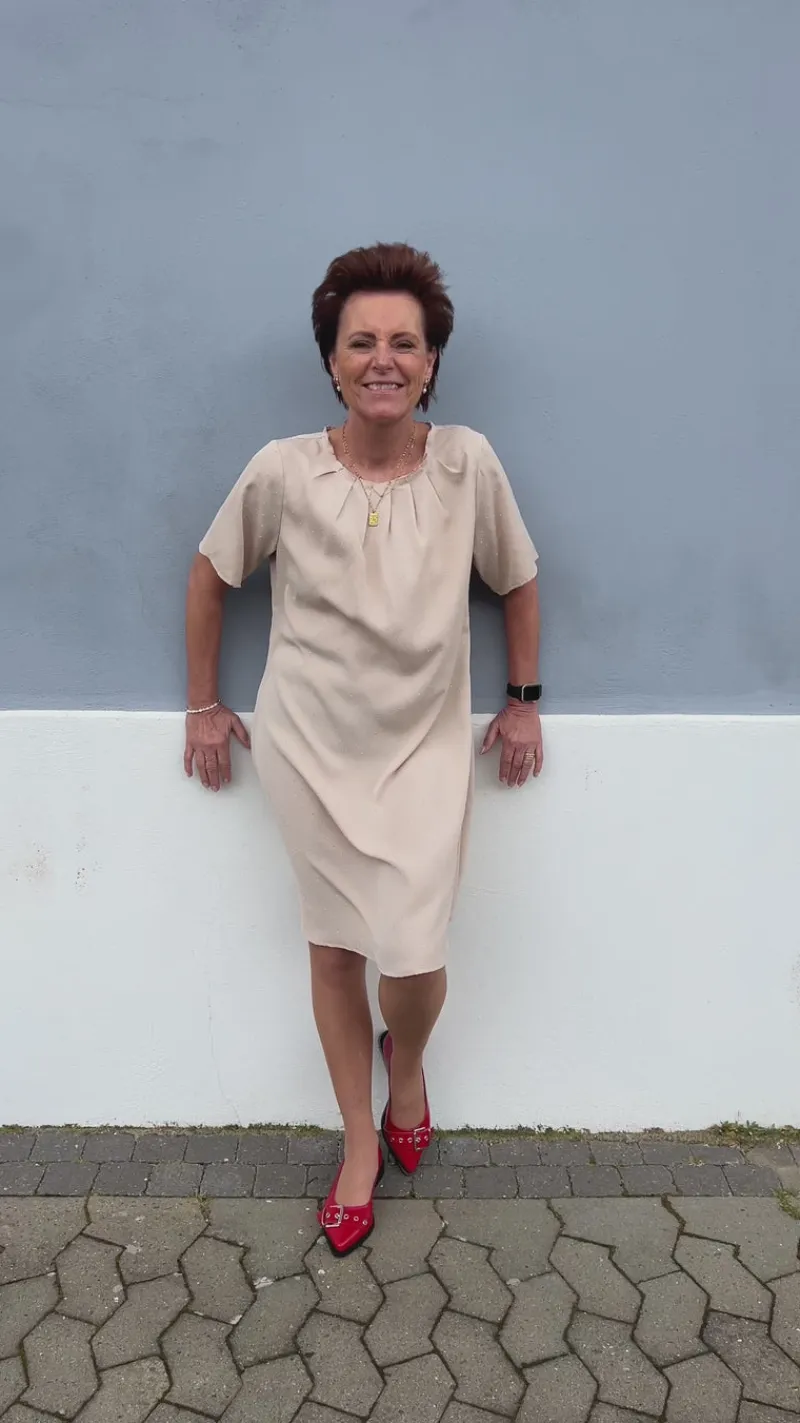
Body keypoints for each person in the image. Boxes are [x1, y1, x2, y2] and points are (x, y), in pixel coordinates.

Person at [184, 242, 543, 1255]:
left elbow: (517, 578)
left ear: (430, 363)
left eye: (404, 342)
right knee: (335, 947)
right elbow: (210, 575)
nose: (382, 358)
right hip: (308, 745)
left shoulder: (467, 463)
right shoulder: (281, 470)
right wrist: (203, 704)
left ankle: (408, 1065)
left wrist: (521, 703)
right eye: (360, 342)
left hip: (423, 748)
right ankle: (356, 1139)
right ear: (332, 361)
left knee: (415, 955)